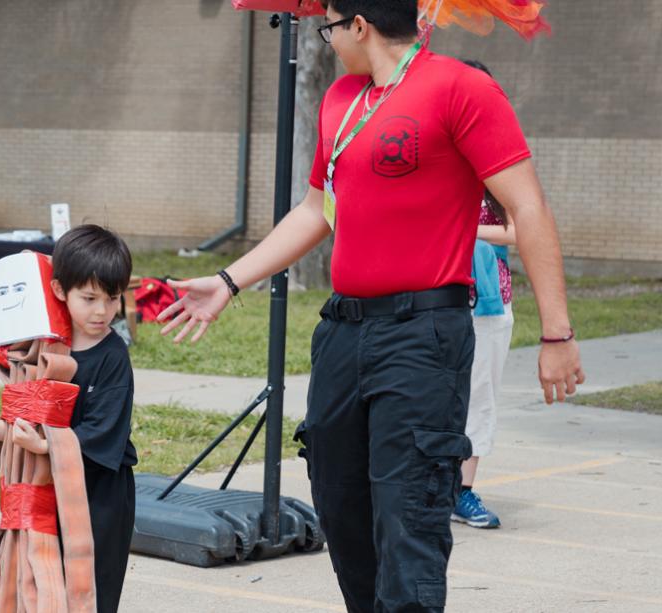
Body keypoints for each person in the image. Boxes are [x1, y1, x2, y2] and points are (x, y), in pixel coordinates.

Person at [157, 1, 584, 611]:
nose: (325, 38)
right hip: (344, 332)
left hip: (424, 333)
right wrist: (228, 280)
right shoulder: (341, 101)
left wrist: (556, 334)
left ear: (359, 25)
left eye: (329, 26)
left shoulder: (462, 89)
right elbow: (315, 211)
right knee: (339, 499)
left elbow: (530, 209)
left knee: (408, 508)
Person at [0, 224, 136, 613]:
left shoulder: (113, 356)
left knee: (87, 589)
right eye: (89, 297)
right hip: (42, 491)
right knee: (32, 581)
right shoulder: (43, 346)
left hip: (97, 497)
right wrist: (0, 429)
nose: (102, 311)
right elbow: (30, 411)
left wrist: (45, 445)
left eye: (112, 299)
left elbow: (104, 432)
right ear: (60, 291)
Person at [452, 59, 517, 530]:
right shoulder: (434, 160)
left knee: (480, 396)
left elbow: (519, 230)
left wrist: (470, 228)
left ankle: (464, 491)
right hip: (436, 296)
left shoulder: (500, 166)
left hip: (490, 303)